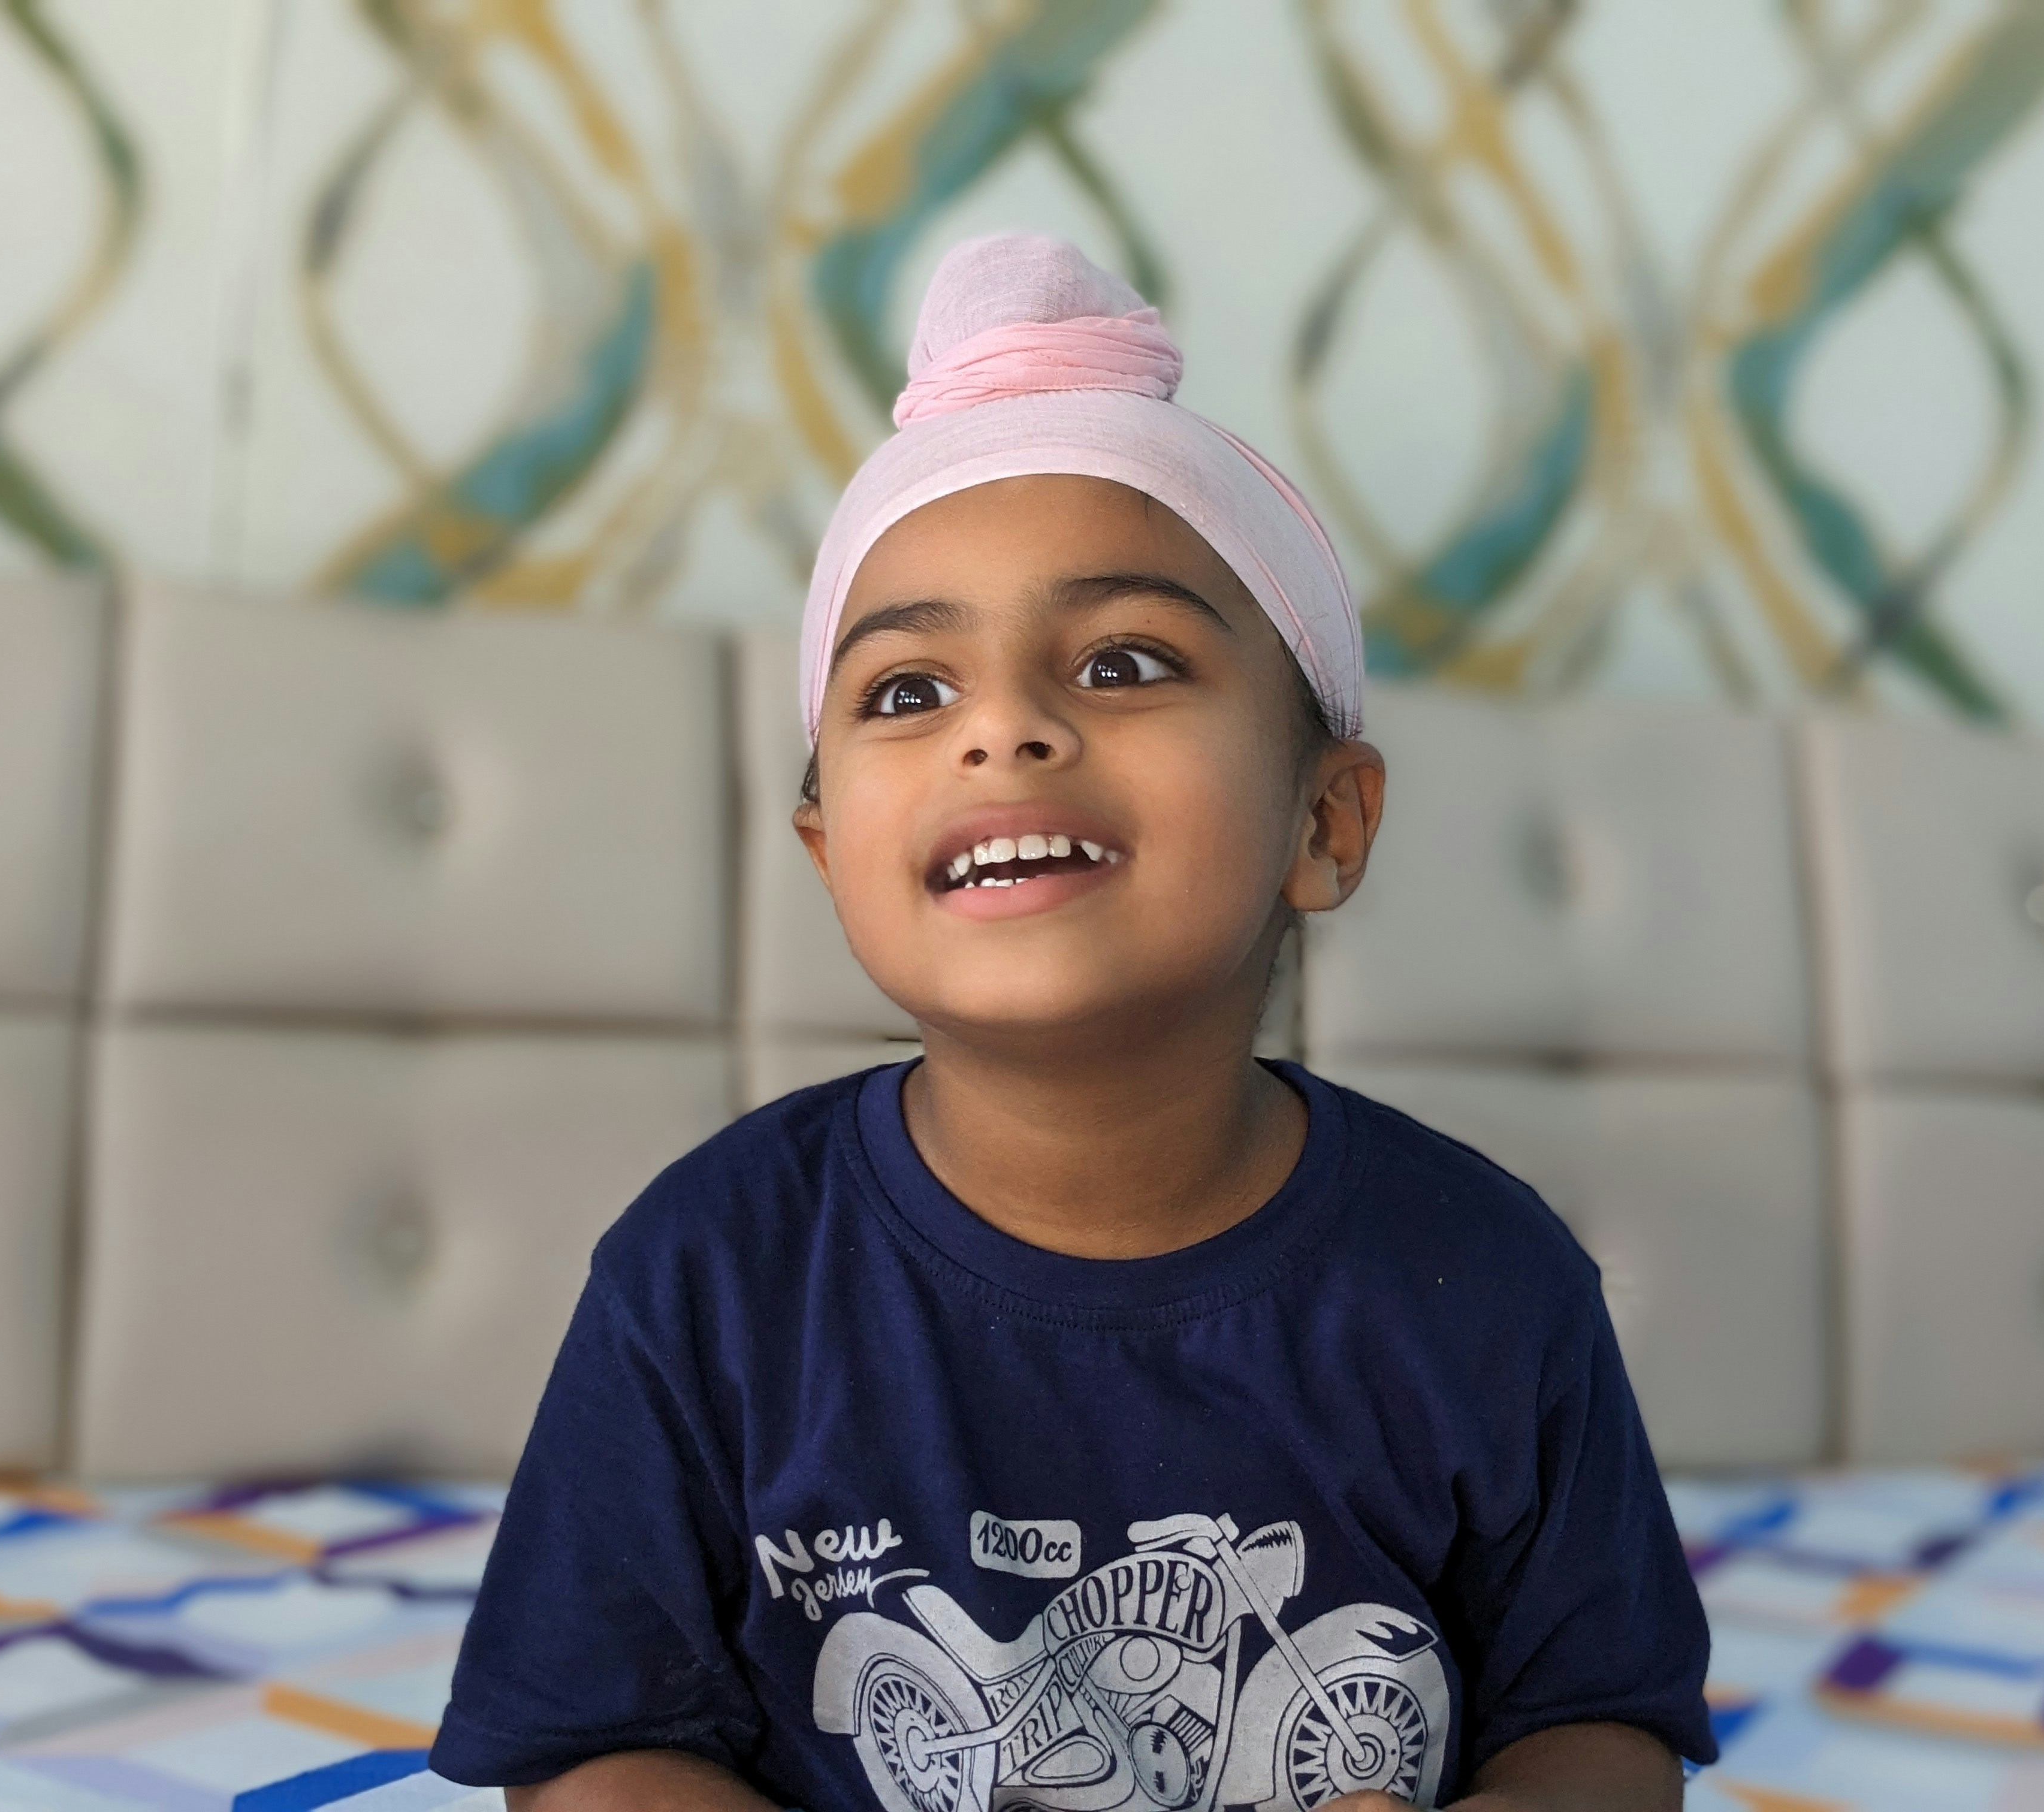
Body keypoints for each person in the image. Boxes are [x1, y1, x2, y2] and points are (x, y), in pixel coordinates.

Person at [430, 234, 1714, 1812]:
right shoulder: (705, 1280)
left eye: (1121, 662)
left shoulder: (1491, 1285)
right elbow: (590, 1749)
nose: (1008, 730)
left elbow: (1603, 1730)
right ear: (832, 847)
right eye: (908, 691)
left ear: (1327, 821)